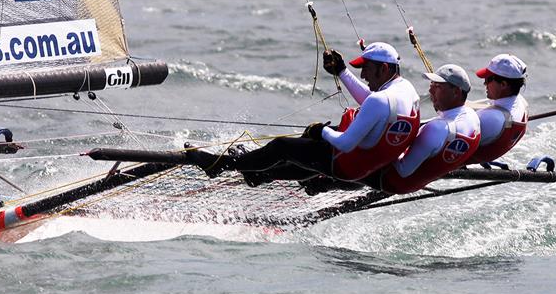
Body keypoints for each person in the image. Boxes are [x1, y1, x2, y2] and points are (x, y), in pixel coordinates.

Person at [187, 42, 421, 186]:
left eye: (366, 69)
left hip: (347, 164)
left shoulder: (379, 100)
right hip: (368, 163)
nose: (363, 76)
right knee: (309, 152)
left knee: (283, 147)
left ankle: (220, 165)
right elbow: (375, 106)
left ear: (384, 68)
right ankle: (259, 175)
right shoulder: (406, 91)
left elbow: (347, 143)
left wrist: (322, 130)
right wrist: (341, 71)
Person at [371, 64, 481, 194]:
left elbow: (403, 169)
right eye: (431, 85)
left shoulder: (436, 129)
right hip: (416, 182)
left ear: (456, 92)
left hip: (391, 181)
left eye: (437, 86)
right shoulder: (473, 119)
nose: (430, 91)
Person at [466, 54, 528, 164]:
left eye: (488, 79)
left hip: (455, 162)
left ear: (504, 84)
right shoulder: (522, 103)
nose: (484, 83)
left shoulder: (490, 118)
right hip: (490, 152)